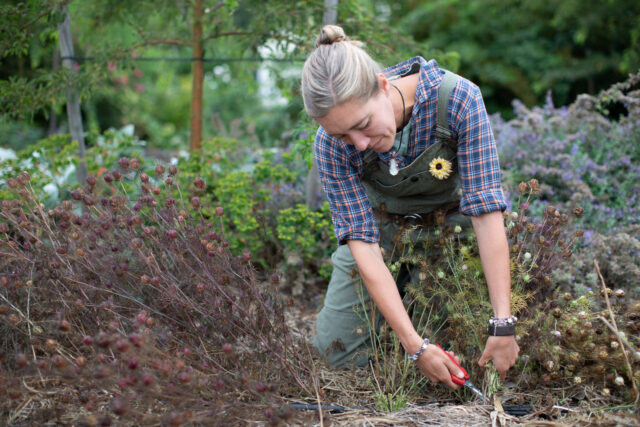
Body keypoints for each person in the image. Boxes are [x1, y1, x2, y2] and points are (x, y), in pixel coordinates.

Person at [300, 25, 520, 390]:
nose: (358, 144)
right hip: (382, 235)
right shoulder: (329, 144)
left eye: (363, 125)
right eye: (343, 136)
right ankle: (400, 319)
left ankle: (406, 310)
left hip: (447, 234)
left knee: (458, 352)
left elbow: (485, 212)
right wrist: (415, 346)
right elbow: (365, 247)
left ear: (383, 85)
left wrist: (503, 322)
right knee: (335, 355)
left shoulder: (458, 100)